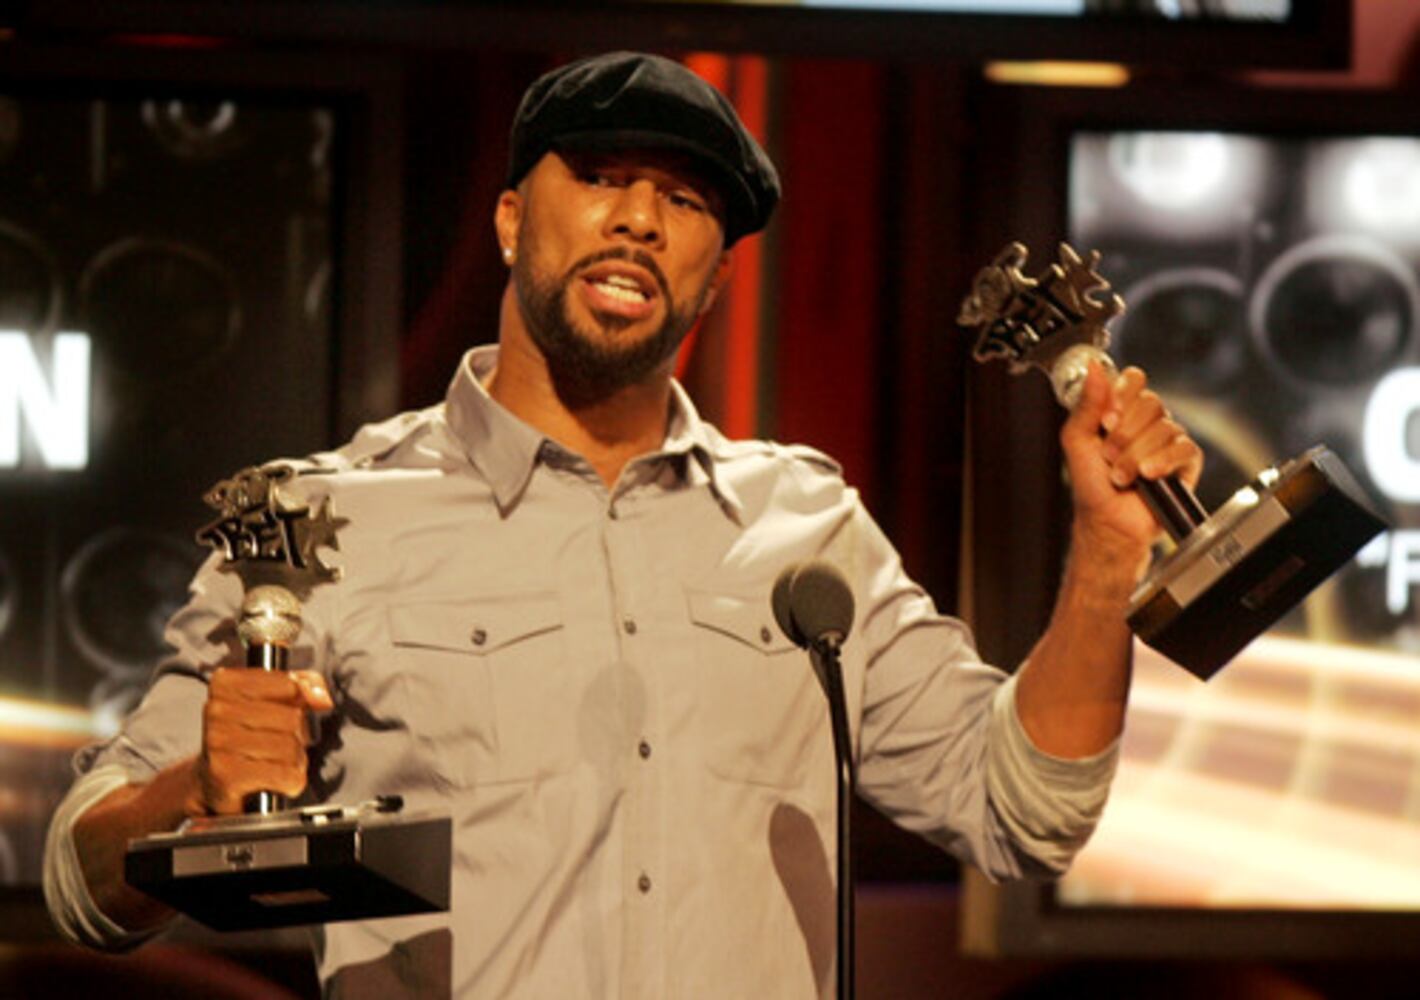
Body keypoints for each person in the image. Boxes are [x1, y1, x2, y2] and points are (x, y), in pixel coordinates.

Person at [44, 51, 1201, 998]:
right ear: (510, 219)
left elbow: (1020, 811)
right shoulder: (319, 523)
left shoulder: (806, 528)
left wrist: (1108, 554)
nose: (640, 218)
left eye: (686, 201)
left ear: (715, 279)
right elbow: (79, 882)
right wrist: (196, 787)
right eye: (600, 176)